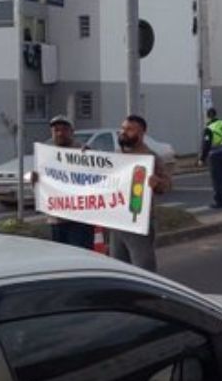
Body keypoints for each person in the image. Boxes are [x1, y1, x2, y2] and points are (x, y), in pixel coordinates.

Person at [107, 115, 173, 271]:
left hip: (138, 222)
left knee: (143, 268)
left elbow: (167, 185)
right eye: (122, 129)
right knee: (118, 270)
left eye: (129, 129)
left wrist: (157, 183)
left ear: (141, 133)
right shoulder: (115, 156)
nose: (123, 132)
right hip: (116, 223)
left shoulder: (150, 158)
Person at [44, 115, 94, 250]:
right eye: (56, 130)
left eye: (64, 129)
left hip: (80, 220)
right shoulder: (46, 154)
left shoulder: (84, 152)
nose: (60, 133)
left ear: (72, 132)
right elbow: (42, 189)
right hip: (56, 219)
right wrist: (35, 181)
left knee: (81, 256)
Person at [198, 108, 222, 209]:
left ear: (208, 116)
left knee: (217, 179)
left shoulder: (209, 128)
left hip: (215, 155)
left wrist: (202, 159)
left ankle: (219, 201)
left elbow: (206, 145)